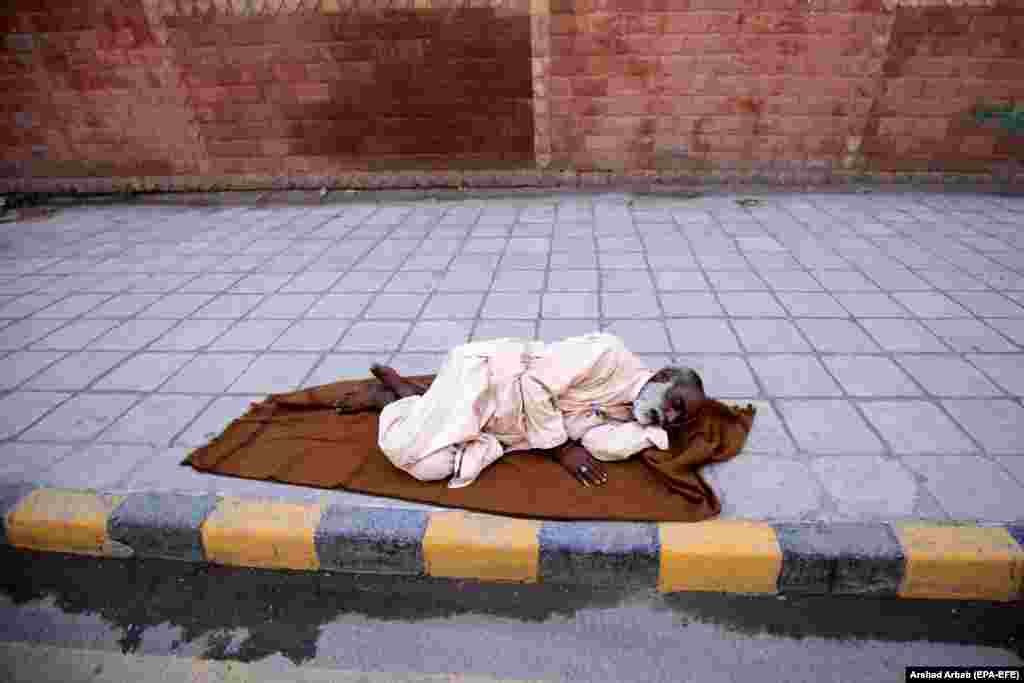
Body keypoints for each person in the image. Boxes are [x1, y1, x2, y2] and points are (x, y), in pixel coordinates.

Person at [370, 332, 709, 489]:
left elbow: (599, 445)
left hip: (506, 427)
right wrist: (561, 449)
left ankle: (420, 399)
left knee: (431, 467)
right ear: (662, 376)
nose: (673, 417)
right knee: (404, 451)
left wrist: (651, 433)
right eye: (676, 404)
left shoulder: (630, 413)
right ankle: (400, 394)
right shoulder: (609, 353)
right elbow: (533, 385)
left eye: (681, 419)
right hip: (486, 380)